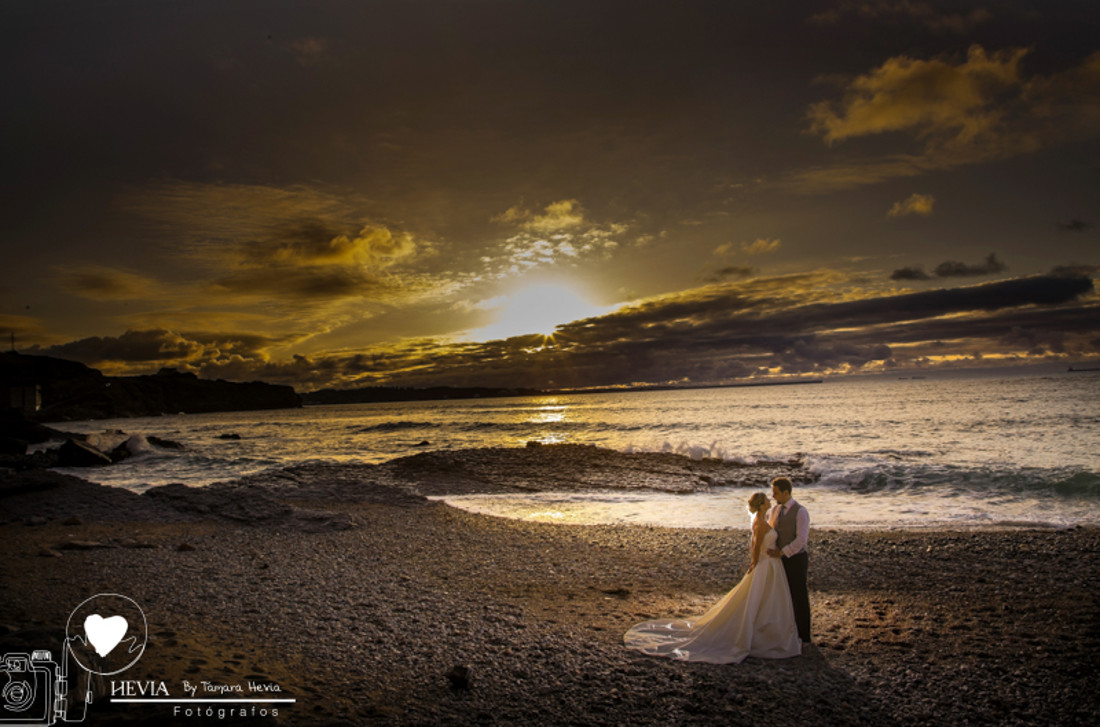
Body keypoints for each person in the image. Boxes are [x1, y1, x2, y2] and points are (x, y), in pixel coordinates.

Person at [622, 492, 801, 664]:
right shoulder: (760, 523)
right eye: (767, 500)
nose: (771, 500)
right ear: (762, 505)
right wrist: (754, 562)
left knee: (767, 600)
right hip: (764, 564)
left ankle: (765, 631)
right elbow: (755, 545)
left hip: (771, 564)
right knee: (757, 598)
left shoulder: (763, 519)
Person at [766, 476, 811, 644]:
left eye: (776, 492)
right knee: (782, 595)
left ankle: (804, 636)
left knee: (799, 595)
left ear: (786, 492)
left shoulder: (801, 511)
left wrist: (783, 552)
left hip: (796, 559)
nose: (773, 496)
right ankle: (787, 632)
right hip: (779, 560)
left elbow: (801, 539)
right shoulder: (774, 511)